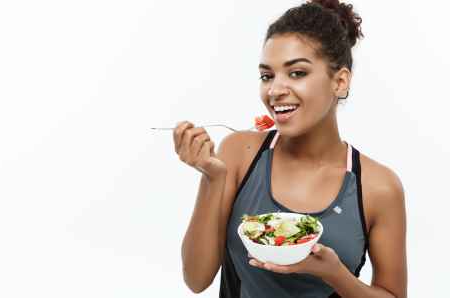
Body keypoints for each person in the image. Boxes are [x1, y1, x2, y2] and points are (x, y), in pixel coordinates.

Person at [173, 0, 407, 297]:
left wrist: (335, 274)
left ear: (340, 81)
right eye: (267, 76)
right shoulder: (238, 153)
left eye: (297, 73)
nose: (274, 90)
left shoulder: (379, 187)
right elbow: (196, 279)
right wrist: (211, 178)